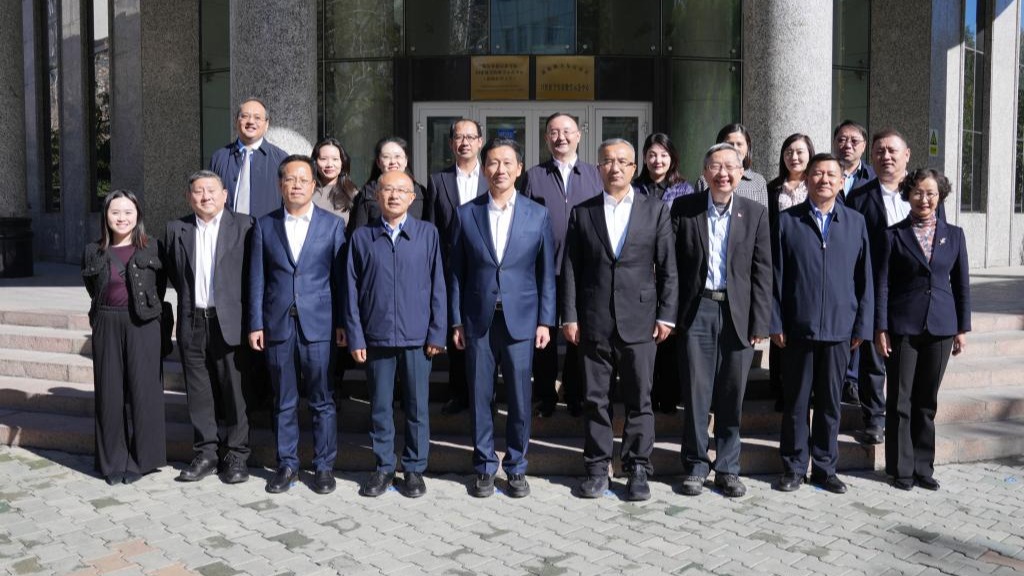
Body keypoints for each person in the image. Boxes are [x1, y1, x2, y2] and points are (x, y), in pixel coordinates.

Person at [562, 139, 677, 501]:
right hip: (594, 319)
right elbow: (571, 269)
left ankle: (637, 467)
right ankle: (597, 467)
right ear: (598, 168)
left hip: (640, 320)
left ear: (633, 168)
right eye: (608, 161)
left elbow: (668, 268)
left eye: (623, 162)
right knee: (595, 399)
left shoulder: (655, 210)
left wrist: (667, 315)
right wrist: (570, 315)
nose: (615, 168)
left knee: (639, 398)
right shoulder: (582, 212)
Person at [449, 137, 556, 498]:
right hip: (478, 320)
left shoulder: (537, 214)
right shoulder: (466, 214)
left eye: (508, 163)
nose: (500, 170)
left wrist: (545, 321)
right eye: (493, 163)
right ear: (484, 169)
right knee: (480, 395)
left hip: (521, 320)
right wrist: (456, 321)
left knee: (520, 398)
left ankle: (516, 466)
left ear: (519, 169)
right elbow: (456, 274)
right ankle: (483, 466)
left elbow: (546, 273)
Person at [673, 143, 772, 498]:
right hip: (696, 310)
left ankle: (728, 468)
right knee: (696, 393)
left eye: (731, 167)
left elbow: (763, 271)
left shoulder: (755, 212)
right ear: (705, 172)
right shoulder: (685, 209)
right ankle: (696, 465)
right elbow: (671, 266)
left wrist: (761, 321)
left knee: (732, 394)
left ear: (742, 173)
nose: (723, 174)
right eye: (716, 166)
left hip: (737, 313)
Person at [771, 153, 873, 495]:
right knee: (796, 403)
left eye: (831, 174)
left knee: (830, 404)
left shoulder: (856, 223)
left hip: (840, 329)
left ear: (842, 182)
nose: (824, 180)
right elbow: (775, 277)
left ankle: (826, 468)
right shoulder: (787, 221)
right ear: (807, 180)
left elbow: (865, 280)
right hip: (797, 328)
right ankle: (794, 466)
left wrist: (862, 326)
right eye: (817, 174)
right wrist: (775, 320)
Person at [249, 155, 346, 495]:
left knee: (322, 400)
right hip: (277, 325)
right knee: (283, 400)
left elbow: (340, 281)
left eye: (304, 180)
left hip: (319, 324)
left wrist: (343, 323)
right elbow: (257, 279)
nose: (296, 185)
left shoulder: (332, 225)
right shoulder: (265, 225)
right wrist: (255, 323)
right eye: (290, 179)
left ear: (314, 185)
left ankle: (324, 466)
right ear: (280, 185)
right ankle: (287, 464)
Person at [346, 171, 447, 499]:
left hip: (418, 338)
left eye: (401, 190)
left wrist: (437, 333)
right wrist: (356, 336)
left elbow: (438, 286)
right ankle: (384, 466)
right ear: (377, 196)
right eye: (387, 189)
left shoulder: (428, 234)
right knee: (380, 407)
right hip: (376, 337)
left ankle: (414, 469)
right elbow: (350, 290)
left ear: (412, 197)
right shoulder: (362, 237)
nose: (394, 195)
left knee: (417, 408)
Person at [846, 129, 946, 445]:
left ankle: (909, 418)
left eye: (892, 150)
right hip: (874, 285)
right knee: (873, 356)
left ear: (907, 155)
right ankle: (874, 418)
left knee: (908, 358)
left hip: (915, 292)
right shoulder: (859, 196)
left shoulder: (925, 193)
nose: (885, 156)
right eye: (879, 151)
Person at [875, 168, 970, 491]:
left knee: (926, 401)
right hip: (902, 326)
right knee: (899, 400)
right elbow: (882, 285)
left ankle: (922, 467)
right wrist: (881, 327)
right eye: (917, 192)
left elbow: (961, 285)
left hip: (941, 326)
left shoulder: (955, 235)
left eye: (931, 193)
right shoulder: (893, 235)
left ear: (940, 196)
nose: (924, 199)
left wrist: (962, 328)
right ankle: (900, 469)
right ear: (908, 195)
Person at [164, 171, 252, 484]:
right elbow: (175, 273)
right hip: (192, 319)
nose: (206, 197)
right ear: (189, 197)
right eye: (199, 191)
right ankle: (206, 453)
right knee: (198, 391)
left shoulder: (245, 226)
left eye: (212, 190)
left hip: (230, 321)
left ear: (225, 195)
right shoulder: (177, 229)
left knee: (234, 390)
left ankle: (237, 454)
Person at [81, 190, 166, 485]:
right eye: (115, 212)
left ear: (137, 215)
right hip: (106, 321)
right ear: (105, 216)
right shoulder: (93, 251)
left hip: (143, 324)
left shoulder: (153, 247)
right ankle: (112, 461)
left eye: (128, 212)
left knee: (145, 391)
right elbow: (92, 287)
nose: (122, 218)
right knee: (109, 392)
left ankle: (144, 459)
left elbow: (160, 286)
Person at [523, 112, 603, 417]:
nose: (561, 137)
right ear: (546, 138)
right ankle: (544, 396)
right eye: (554, 132)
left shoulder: (595, 175)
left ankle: (574, 393)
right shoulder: (533, 176)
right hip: (544, 270)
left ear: (579, 136)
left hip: (584, 272)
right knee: (543, 335)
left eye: (567, 131)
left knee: (578, 335)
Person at [428, 119, 489, 416]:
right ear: (451, 143)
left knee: (484, 331)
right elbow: (432, 228)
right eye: (459, 137)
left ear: (480, 142)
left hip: (486, 267)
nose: (465, 142)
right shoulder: (438, 180)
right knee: (456, 329)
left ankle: (485, 395)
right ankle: (458, 393)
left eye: (470, 137)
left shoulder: (492, 176)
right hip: (451, 266)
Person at [634, 132, 694, 414]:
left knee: (669, 333)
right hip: (641, 272)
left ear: (673, 158)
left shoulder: (685, 190)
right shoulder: (634, 189)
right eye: (652, 155)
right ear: (644, 158)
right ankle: (646, 395)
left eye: (663, 155)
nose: (658, 160)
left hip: (674, 270)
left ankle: (669, 395)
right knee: (645, 336)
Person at [766, 133, 815, 410]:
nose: (794, 157)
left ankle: (808, 390)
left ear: (810, 154)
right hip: (780, 263)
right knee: (781, 326)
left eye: (799, 152)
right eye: (788, 152)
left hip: (811, 265)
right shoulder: (773, 189)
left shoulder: (818, 185)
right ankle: (781, 388)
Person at [209, 98, 289, 219]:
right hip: (227, 229)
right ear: (236, 121)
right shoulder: (219, 158)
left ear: (266, 124)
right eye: (245, 116)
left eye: (257, 118)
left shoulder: (280, 159)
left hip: (266, 229)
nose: (251, 121)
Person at [347, 136, 431, 235]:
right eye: (386, 157)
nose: (393, 162)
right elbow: (359, 234)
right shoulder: (367, 193)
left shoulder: (419, 192)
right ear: (378, 162)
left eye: (397, 156)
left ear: (406, 161)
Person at [696, 123, 769, 208]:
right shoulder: (705, 181)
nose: (735, 148)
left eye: (739, 144)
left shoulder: (758, 182)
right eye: (730, 144)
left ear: (747, 148)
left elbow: (762, 214)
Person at [311, 137, 360, 226]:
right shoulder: (307, 191)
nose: (329, 164)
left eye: (335, 159)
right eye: (323, 159)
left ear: (342, 162)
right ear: (315, 162)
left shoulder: (353, 194)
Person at [832, 120, 876, 200]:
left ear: (864, 146)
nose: (848, 145)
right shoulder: (822, 174)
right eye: (842, 140)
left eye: (854, 141)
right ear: (833, 143)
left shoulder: (874, 177)